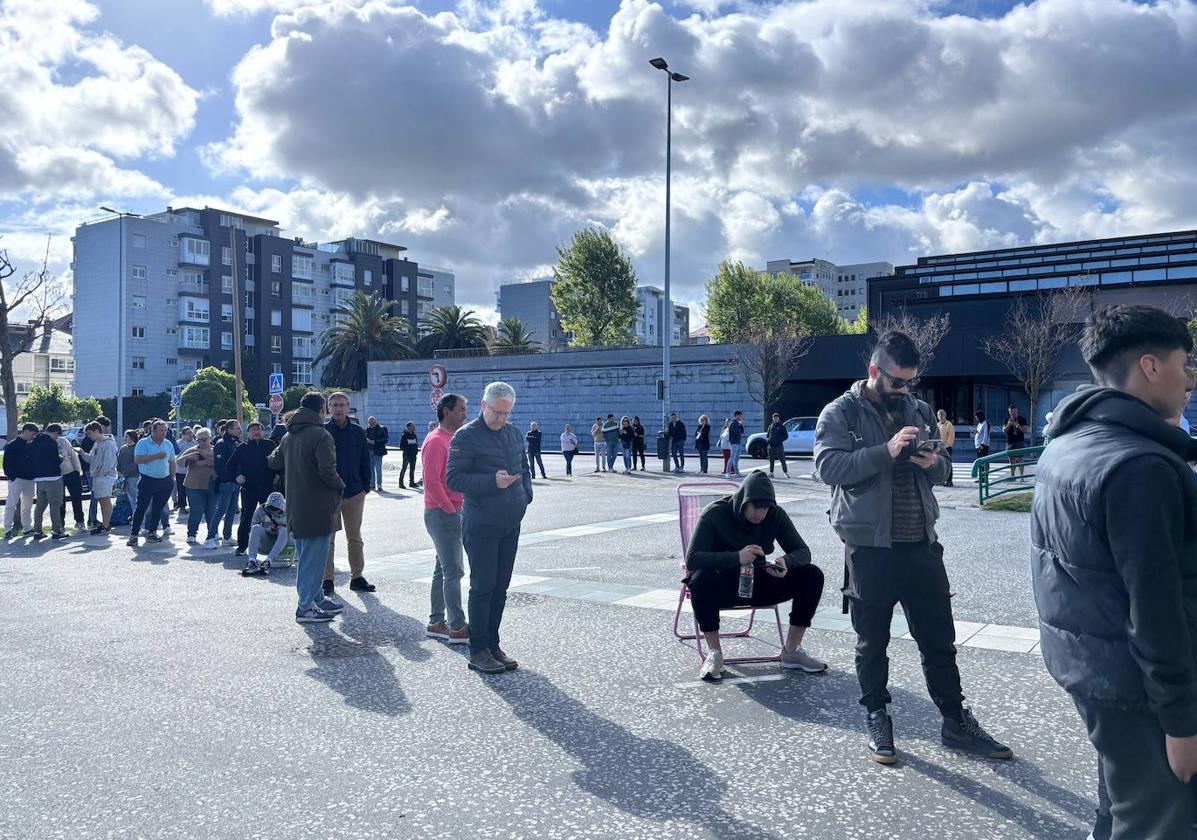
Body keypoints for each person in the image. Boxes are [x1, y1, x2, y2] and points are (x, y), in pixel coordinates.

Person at [1031, 305, 1197, 840]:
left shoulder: (1067, 443)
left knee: (1119, 805)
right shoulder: (1139, 466)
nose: (1190, 379)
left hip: (1092, 666)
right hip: (1140, 687)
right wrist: (1181, 720)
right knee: (1156, 822)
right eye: (1185, 364)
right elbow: (1155, 606)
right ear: (1150, 366)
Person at [815, 329, 1010, 766]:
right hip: (870, 547)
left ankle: (955, 721)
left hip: (921, 542)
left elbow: (942, 469)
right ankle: (877, 716)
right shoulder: (841, 413)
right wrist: (885, 450)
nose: (904, 390)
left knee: (939, 638)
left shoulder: (919, 410)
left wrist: (933, 463)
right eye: (896, 381)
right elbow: (828, 466)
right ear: (873, 372)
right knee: (872, 641)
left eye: (910, 381)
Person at [685, 471, 827, 681]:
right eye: (756, 507)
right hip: (725, 583)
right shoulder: (715, 514)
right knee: (700, 579)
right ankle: (714, 653)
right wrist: (736, 557)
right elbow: (693, 559)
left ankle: (791, 651)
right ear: (744, 501)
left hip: (759, 579)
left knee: (812, 575)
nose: (761, 513)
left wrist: (785, 563)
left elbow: (803, 551)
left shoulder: (775, 515)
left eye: (765, 508)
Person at [446, 381, 533, 675]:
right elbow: (454, 479)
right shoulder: (466, 436)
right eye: (496, 412)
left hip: (510, 522)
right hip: (481, 522)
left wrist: (525, 498)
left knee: (500, 588)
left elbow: (524, 466)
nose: (501, 418)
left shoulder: (514, 433)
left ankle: (493, 644)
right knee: (482, 587)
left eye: (506, 413)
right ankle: (478, 649)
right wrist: (490, 482)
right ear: (483, 406)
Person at [267, 391, 346, 624]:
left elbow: (273, 462)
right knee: (314, 558)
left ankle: (316, 597)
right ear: (321, 410)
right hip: (318, 505)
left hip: (296, 504)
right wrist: (341, 486)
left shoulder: (289, 435)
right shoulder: (320, 435)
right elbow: (328, 472)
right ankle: (305, 606)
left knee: (306, 556)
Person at [423, 392, 470, 646]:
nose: (465, 413)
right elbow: (431, 482)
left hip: (450, 510)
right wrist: (450, 510)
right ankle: (456, 626)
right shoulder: (436, 441)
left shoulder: (452, 439)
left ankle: (436, 621)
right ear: (446, 411)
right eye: (461, 409)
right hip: (443, 512)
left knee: (442, 569)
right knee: (454, 571)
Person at [323, 392, 375, 596]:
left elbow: (365, 459)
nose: (338, 408)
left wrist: (365, 486)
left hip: (354, 492)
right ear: (329, 408)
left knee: (355, 537)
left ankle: (357, 577)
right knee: (328, 538)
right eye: (334, 405)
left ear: (348, 407)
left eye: (342, 405)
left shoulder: (357, 432)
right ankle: (327, 579)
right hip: (329, 493)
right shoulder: (323, 431)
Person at [230, 421, 277, 560]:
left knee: (271, 517)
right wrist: (238, 475)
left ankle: (272, 546)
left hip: (267, 487)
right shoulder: (242, 447)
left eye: (258, 429)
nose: (256, 432)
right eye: (253, 430)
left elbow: (279, 462)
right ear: (248, 433)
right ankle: (242, 545)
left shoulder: (270, 445)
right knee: (246, 517)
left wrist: (278, 475)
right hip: (249, 487)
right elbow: (231, 464)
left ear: (263, 432)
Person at [127, 420, 176, 547]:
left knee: (158, 508)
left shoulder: (168, 444)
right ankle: (134, 534)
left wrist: (172, 478)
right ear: (152, 431)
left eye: (165, 430)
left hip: (164, 480)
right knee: (141, 507)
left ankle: (152, 532)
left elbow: (172, 461)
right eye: (160, 430)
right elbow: (138, 459)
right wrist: (156, 456)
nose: (163, 433)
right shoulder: (143, 443)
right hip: (148, 479)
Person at [177, 427, 219, 548]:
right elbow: (179, 462)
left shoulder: (216, 450)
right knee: (196, 510)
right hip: (193, 485)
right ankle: (191, 534)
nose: (201, 442)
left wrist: (206, 462)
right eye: (199, 440)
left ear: (210, 439)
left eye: (204, 440)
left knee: (211, 511)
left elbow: (222, 463)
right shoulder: (192, 450)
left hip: (211, 485)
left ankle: (212, 533)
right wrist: (189, 458)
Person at [29, 424, 67, 540]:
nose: (57, 437)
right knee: (55, 505)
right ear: (55, 432)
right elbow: (55, 460)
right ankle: (57, 530)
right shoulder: (51, 443)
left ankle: (37, 530)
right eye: (57, 435)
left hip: (39, 479)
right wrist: (61, 458)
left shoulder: (35, 442)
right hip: (53, 478)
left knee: (40, 506)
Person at [79, 421, 117, 534]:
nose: (89, 436)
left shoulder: (108, 443)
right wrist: (82, 453)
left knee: (105, 500)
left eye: (90, 433)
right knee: (101, 500)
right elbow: (91, 459)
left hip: (104, 476)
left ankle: (106, 525)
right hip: (97, 475)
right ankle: (105, 524)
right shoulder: (97, 443)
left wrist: (101, 472)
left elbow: (109, 462)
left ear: (97, 431)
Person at [242, 491, 288, 576]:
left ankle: (268, 561)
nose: (273, 513)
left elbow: (298, 527)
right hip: (266, 541)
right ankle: (252, 561)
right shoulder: (261, 509)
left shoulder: (290, 509)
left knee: (284, 531)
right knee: (255, 527)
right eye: (271, 510)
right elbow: (252, 526)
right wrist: (266, 529)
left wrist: (283, 526)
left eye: (276, 510)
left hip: (284, 542)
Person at [48, 424, 84, 531]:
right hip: (57, 475)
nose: (57, 437)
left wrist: (77, 470)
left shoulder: (63, 441)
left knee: (76, 497)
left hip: (70, 472)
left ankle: (79, 521)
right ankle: (60, 524)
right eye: (56, 434)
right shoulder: (46, 443)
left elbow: (73, 455)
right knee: (60, 500)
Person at [211, 419, 242, 544]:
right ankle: (211, 536)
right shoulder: (221, 444)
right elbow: (220, 466)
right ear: (230, 430)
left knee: (231, 511)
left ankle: (227, 537)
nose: (240, 430)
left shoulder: (237, 443)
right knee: (221, 510)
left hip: (236, 483)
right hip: (226, 482)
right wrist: (231, 478)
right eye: (237, 428)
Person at [3, 423, 36, 538]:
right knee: (11, 504)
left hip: (29, 480)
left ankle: (27, 528)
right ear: (26, 431)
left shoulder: (30, 445)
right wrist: (12, 477)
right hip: (16, 479)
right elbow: (6, 464)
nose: (33, 436)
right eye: (33, 433)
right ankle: (7, 529)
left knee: (27, 505)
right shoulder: (11, 445)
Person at [1003, 404, 1029, 479]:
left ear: (1017, 411)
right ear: (1009, 412)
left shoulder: (1022, 419)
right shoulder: (1006, 419)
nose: (1013, 413)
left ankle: (1021, 476)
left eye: (1014, 412)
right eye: (1011, 412)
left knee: (1020, 459)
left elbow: (1025, 430)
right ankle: (1012, 475)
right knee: (1011, 460)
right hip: (1010, 442)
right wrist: (1008, 425)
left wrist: (1018, 426)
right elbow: (1004, 430)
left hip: (1019, 441)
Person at [365, 416, 389, 491]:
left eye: (372, 423)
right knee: (370, 469)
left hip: (378, 451)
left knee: (378, 469)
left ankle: (379, 484)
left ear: (375, 422)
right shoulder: (367, 429)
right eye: (369, 423)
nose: (371, 424)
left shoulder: (382, 429)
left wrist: (374, 442)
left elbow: (385, 439)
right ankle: (372, 484)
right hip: (369, 451)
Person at [174, 426, 195, 512]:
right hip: (180, 470)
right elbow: (176, 454)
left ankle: (193, 505)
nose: (190, 435)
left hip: (192, 470)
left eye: (191, 433)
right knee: (181, 489)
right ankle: (182, 506)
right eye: (187, 434)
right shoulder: (179, 443)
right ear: (183, 435)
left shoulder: (195, 443)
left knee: (192, 489)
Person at [936, 410, 956, 487]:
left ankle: (949, 480)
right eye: (939, 415)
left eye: (942, 414)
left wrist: (947, 445)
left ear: (945, 415)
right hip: (938, 447)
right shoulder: (937, 425)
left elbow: (951, 437)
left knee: (948, 464)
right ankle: (941, 480)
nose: (940, 416)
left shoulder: (949, 424)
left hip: (947, 448)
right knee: (939, 464)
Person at [767, 412, 789, 478]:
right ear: (772, 418)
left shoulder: (782, 426)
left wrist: (779, 440)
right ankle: (771, 472)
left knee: (782, 459)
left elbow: (786, 436)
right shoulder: (770, 426)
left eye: (776, 418)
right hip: (771, 446)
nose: (775, 419)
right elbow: (768, 435)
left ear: (778, 418)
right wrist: (768, 442)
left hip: (779, 446)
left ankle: (785, 472)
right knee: (771, 460)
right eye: (774, 418)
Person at [398, 421, 419, 489]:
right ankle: (401, 483)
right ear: (409, 427)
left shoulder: (414, 435)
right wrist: (408, 450)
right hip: (407, 455)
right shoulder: (404, 435)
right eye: (412, 426)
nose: (414, 427)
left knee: (412, 469)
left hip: (413, 455)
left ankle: (412, 482)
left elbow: (416, 444)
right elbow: (401, 446)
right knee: (404, 468)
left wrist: (415, 452)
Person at [729, 410, 745, 475]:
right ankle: (727, 472)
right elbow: (735, 432)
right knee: (732, 458)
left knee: (736, 459)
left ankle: (737, 472)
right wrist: (739, 425)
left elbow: (742, 431)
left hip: (738, 442)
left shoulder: (738, 423)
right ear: (736, 416)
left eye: (741, 416)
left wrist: (741, 425)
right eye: (740, 416)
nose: (741, 417)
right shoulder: (733, 423)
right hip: (734, 442)